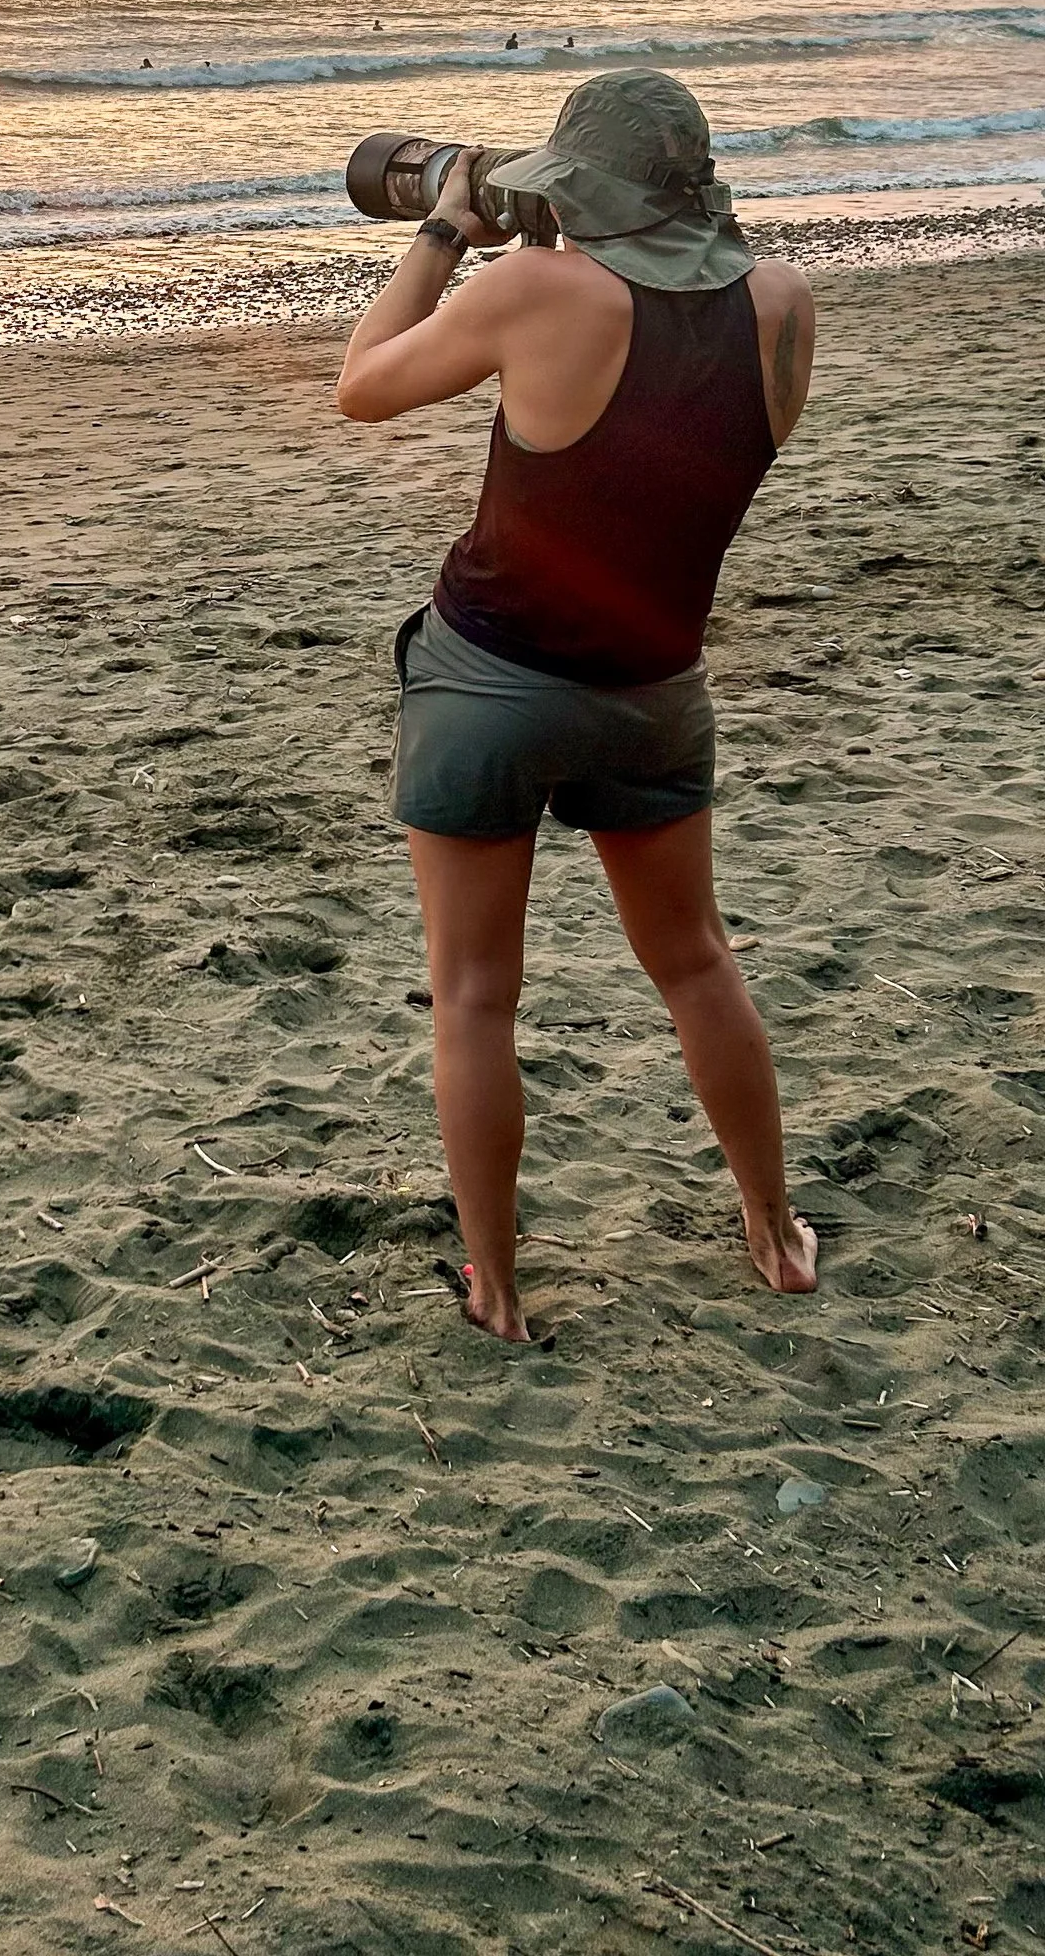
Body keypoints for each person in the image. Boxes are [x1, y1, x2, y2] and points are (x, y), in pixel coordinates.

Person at [335, 69, 817, 1343]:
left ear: (577, 190)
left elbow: (363, 383)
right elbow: (660, 429)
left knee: (475, 994)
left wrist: (444, 228)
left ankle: (494, 1288)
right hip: (654, 688)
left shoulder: (536, 290)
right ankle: (772, 1233)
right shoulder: (779, 304)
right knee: (694, 961)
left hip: (488, 681)